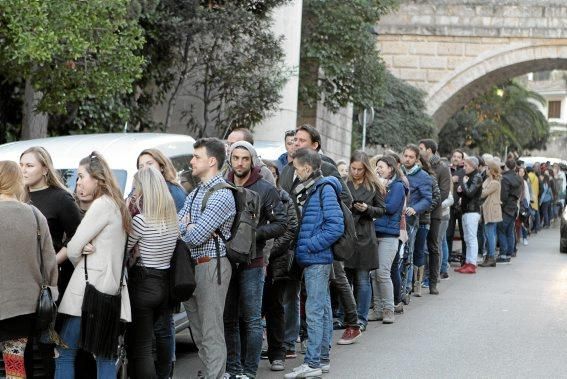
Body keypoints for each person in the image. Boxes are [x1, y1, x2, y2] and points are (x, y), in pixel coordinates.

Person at [279, 125, 359, 345]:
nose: (296, 144)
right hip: (294, 239)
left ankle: (351, 324)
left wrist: (319, 229)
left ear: (315, 145)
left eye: (302, 141)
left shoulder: (325, 167)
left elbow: (345, 199)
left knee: (333, 282)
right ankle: (293, 340)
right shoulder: (288, 168)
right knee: (293, 288)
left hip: (319, 239)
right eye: (294, 140)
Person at [55, 152, 132, 378]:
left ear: (97, 179)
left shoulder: (101, 205)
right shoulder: (117, 204)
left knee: (64, 352)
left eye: (81, 176)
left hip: (87, 292)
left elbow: (74, 247)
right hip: (109, 291)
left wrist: (82, 253)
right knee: (105, 356)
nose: (78, 182)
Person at [224, 141, 287, 378]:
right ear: (230, 159)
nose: (240, 163)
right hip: (226, 262)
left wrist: (254, 234)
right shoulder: (223, 185)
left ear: (252, 161)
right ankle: (233, 368)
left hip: (253, 261)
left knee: (251, 319)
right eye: (236, 158)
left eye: (245, 159)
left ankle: (249, 371)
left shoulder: (265, 188)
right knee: (228, 319)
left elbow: (281, 223)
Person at [19, 146, 82, 376]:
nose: (23, 170)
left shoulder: (60, 197)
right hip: (20, 281)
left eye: (29, 165)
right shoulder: (17, 195)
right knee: (19, 344)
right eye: (21, 165)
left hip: (48, 280)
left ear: (45, 168)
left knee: (46, 344)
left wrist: (53, 260)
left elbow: (78, 235)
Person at [178, 138, 236, 379]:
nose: (192, 161)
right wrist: (189, 226)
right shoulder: (197, 192)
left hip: (212, 266)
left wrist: (189, 227)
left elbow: (195, 236)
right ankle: (213, 373)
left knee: (211, 331)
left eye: (196, 157)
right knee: (199, 331)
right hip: (194, 267)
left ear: (211, 161)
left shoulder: (221, 194)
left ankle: (215, 376)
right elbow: (178, 226)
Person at [284, 148, 344, 379]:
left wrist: (310, 244)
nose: (295, 173)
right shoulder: (314, 188)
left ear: (307, 168)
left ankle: (313, 362)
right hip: (315, 258)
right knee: (323, 309)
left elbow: (335, 226)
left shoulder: (324, 189)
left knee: (315, 311)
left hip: (317, 258)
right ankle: (322, 359)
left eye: (297, 168)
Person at [0, 160, 58, 379]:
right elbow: (49, 262)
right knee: (15, 366)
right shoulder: (35, 216)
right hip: (22, 307)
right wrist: (52, 289)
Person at [125, 167, 178, 378]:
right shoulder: (171, 220)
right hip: (164, 284)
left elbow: (124, 248)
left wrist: (134, 255)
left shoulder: (140, 221)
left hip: (143, 283)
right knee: (159, 339)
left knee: (142, 348)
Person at [260, 160, 300, 372]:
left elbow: (290, 229)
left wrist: (269, 251)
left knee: (275, 307)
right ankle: (254, 349)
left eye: (273, 173)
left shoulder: (284, 199)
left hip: (277, 262)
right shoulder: (254, 195)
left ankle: (278, 353)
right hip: (255, 261)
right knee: (253, 310)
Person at [344, 151, 386, 330]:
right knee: (346, 279)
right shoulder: (343, 183)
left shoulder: (374, 186)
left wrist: (367, 208)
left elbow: (382, 210)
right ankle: (348, 316)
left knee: (362, 279)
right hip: (347, 235)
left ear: (366, 169)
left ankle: (361, 318)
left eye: (359, 169)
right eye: (353, 168)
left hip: (365, 235)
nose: (355, 172)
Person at [370, 155, 406, 324]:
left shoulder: (398, 186)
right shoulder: (377, 185)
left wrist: (380, 193)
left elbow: (390, 208)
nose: (378, 169)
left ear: (391, 168)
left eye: (381, 166)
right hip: (374, 233)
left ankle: (388, 309)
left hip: (389, 235)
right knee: (373, 273)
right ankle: (377, 309)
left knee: (383, 273)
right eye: (377, 166)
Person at [419, 139, 451, 294]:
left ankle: (433, 281)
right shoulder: (418, 166)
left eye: (421, 148)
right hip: (417, 213)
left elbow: (443, 192)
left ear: (429, 150)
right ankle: (416, 281)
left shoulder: (442, 168)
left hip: (434, 213)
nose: (419, 151)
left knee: (433, 247)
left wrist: (427, 206)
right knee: (417, 248)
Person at [401, 145, 432, 295]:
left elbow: (428, 199)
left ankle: (407, 287)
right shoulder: (397, 171)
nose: (407, 159)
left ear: (417, 159)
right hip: (395, 217)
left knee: (409, 252)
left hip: (411, 220)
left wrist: (415, 208)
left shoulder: (423, 176)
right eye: (405, 156)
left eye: (410, 157)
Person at [454, 157, 483, 274]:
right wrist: (460, 190)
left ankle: (472, 263)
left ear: (473, 166)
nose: (464, 168)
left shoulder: (477, 177)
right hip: (466, 210)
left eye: (466, 166)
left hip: (472, 211)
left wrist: (463, 183)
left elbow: (470, 193)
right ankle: (468, 262)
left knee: (471, 238)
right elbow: (465, 193)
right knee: (467, 238)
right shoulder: (471, 177)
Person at [497, 160, 523, 263]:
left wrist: (501, 206)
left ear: (506, 167)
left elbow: (503, 196)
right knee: (510, 231)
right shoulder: (518, 178)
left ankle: (503, 255)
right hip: (514, 207)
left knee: (501, 230)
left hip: (506, 208)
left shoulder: (505, 178)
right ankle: (509, 253)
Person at [479, 161, 502, 268]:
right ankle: (489, 256)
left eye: (488, 168)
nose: (486, 170)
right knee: (489, 234)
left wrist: (480, 188)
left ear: (492, 170)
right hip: (488, 210)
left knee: (490, 235)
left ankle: (491, 257)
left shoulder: (495, 183)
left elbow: (483, 193)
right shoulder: (489, 180)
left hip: (492, 211)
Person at [447, 149, 467, 260]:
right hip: (449, 206)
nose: (456, 158)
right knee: (448, 234)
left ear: (462, 160)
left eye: (458, 157)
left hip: (462, 206)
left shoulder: (465, 171)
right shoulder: (447, 170)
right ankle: (448, 257)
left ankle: (464, 258)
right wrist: (451, 179)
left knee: (464, 234)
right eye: (454, 156)